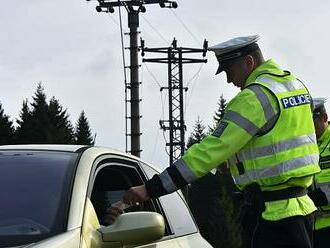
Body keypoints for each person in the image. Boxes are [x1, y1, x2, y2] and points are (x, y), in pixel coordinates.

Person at [123, 35, 320, 248]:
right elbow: (281, 138)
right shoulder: (295, 86)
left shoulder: (253, 98)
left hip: (272, 217)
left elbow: (206, 153)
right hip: (302, 209)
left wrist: (151, 189)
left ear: (249, 62)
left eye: (229, 70)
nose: (228, 80)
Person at [308, 98, 330, 248]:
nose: (308, 127)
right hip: (313, 227)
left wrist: (325, 196)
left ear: (324, 117)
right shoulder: (307, 146)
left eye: (312, 121)